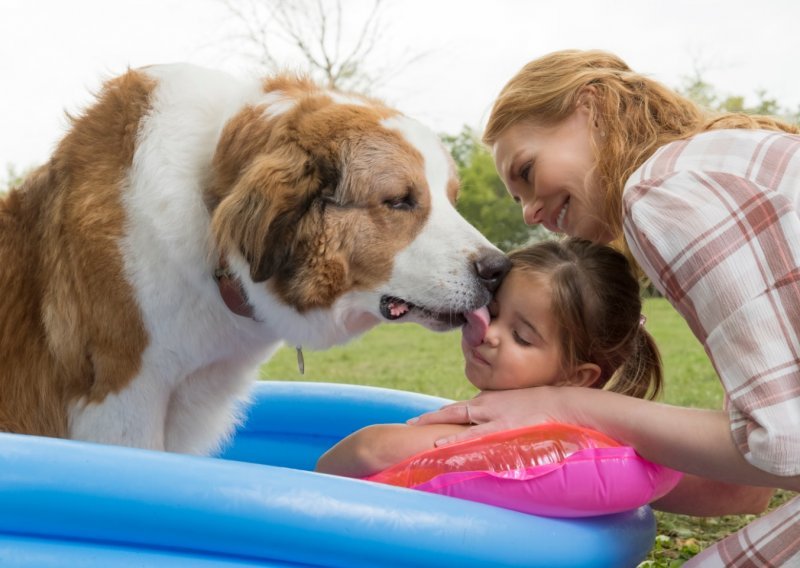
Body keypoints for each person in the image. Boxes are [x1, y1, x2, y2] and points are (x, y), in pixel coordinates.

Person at [412, 49, 800, 566]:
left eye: (527, 170)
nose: (530, 212)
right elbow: (744, 488)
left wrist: (570, 406)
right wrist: (565, 454)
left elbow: (781, 453)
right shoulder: (711, 162)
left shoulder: (664, 193)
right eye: (516, 198)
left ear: (589, 107)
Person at [316, 237, 663, 477]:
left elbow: (368, 450)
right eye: (492, 313)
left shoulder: (537, 438)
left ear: (577, 377)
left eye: (522, 337)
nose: (491, 333)